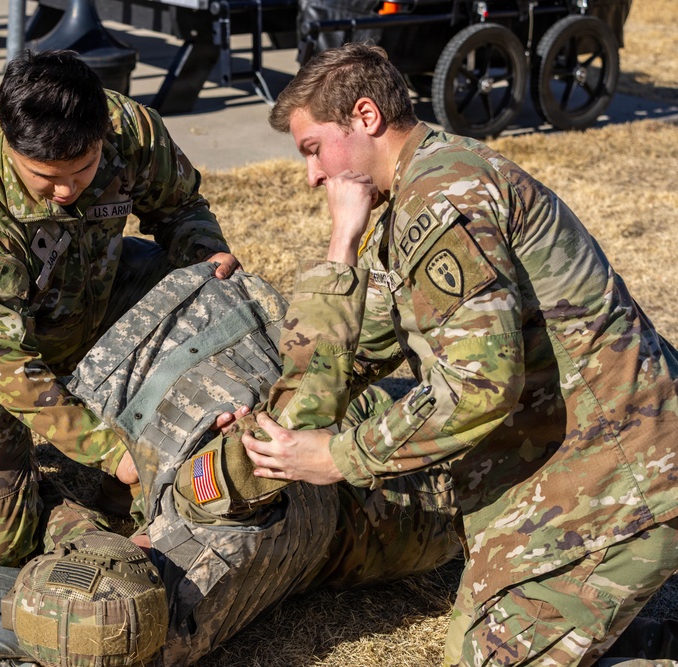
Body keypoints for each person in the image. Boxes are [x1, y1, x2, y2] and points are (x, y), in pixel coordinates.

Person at [241, 42, 678, 665]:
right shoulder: (415, 200)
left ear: (366, 117)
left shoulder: (443, 196)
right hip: (566, 464)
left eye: (314, 149)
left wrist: (343, 455)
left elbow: (480, 386)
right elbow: (348, 360)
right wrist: (341, 249)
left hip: (619, 479)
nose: (311, 176)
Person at [0, 262, 462, 667]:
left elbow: (71, 538)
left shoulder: (134, 644)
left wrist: (48, 505)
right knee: (457, 460)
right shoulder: (206, 505)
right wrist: (343, 248)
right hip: (370, 519)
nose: (83, 546)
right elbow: (307, 398)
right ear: (140, 568)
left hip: (327, 548)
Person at [0, 49, 240, 567]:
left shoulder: (131, 130)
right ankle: (82, 519)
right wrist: (112, 452)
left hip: (89, 299)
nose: (64, 190)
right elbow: (10, 364)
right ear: (9, 144)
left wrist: (203, 259)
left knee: (206, 288)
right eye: (43, 176)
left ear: (103, 133)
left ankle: (191, 441)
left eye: (82, 170)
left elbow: (182, 207)